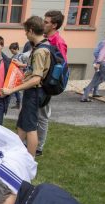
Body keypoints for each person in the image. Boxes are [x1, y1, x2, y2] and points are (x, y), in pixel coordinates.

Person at [1, 16, 51, 157]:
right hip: (34, 92)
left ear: (30, 31)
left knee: (30, 127)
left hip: (35, 92)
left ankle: (30, 161)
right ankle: (14, 153)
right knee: (23, 123)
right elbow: (38, 68)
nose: (25, 34)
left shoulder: (40, 51)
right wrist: (23, 66)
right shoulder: (44, 45)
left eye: (25, 31)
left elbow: (36, 79)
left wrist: (12, 90)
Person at [36, 10, 68, 156]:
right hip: (38, 82)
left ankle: (39, 147)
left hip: (47, 85)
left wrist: (49, 84)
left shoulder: (58, 42)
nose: (43, 23)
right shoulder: (43, 38)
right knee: (34, 113)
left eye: (46, 22)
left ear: (54, 25)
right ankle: (30, 141)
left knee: (42, 116)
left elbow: (61, 65)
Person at [82, 29, 105, 100]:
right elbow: (96, 52)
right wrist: (100, 61)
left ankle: (94, 92)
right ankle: (88, 89)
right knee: (101, 78)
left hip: (102, 63)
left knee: (98, 77)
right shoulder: (104, 42)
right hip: (99, 63)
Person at [8, 43, 23, 109]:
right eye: (11, 51)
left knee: (12, 90)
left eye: (12, 51)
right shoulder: (13, 56)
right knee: (16, 91)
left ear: (16, 49)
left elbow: (23, 65)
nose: (11, 52)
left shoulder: (20, 56)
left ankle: (8, 103)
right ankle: (18, 104)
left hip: (17, 76)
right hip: (13, 75)